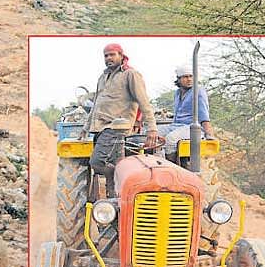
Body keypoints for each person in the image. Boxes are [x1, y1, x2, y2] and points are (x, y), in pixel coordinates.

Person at [82, 42, 160, 196]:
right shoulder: (103, 77)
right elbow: (96, 105)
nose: (108, 58)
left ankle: (118, 177)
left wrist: (152, 128)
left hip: (116, 128)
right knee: (115, 163)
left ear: (121, 55)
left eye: (112, 54)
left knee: (97, 163)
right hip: (100, 128)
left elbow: (144, 101)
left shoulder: (130, 74)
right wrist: (85, 128)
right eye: (106, 55)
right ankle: (116, 200)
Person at [163, 65, 214, 159]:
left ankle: (174, 166)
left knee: (170, 139)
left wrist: (209, 134)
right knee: (155, 133)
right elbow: (177, 114)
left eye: (191, 76)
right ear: (178, 79)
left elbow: (204, 115)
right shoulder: (177, 93)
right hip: (177, 126)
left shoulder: (198, 91)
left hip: (192, 127)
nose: (189, 79)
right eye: (186, 77)